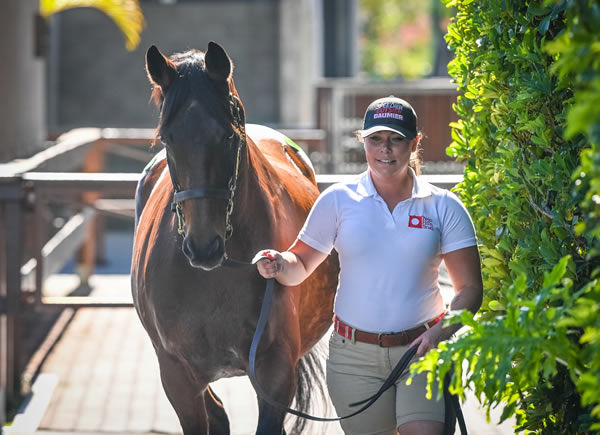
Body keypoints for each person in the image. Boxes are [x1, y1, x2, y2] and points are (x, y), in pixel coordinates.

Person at [255, 96, 483, 435]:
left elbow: (471, 291)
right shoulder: (337, 200)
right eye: (375, 139)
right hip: (353, 359)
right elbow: (300, 263)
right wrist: (277, 262)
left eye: (396, 139)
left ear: (414, 143)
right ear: (364, 141)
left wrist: (439, 334)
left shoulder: (444, 206)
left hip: (422, 352)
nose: (385, 149)